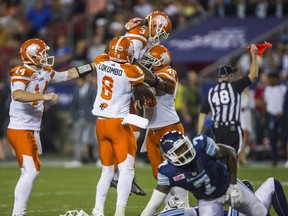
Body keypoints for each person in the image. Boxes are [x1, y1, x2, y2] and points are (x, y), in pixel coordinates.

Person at [7, 38, 95, 216]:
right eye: (43, 53)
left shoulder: (45, 70)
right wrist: (43, 97)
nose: (46, 56)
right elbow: (17, 94)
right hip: (20, 127)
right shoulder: (21, 71)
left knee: (27, 172)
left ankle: (18, 212)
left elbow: (69, 75)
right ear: (32, 56)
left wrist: (93, 66)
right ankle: (18, 213)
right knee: (31, 171)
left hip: (31, 127)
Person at [140, 131, 288, 216]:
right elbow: (153, 204)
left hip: (227, 187)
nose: (184, 151)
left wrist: (234, 184)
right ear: (168, 156)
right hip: (207, 200)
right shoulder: (167, 171)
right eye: (178, 151)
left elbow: (230, 152)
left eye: (184, 146)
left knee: (260, 213)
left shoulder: (201, 145)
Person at [91, 36, 156, 216]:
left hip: (101, 124)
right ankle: (120, 211)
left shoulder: (100, 60)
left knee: (106, 172)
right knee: (127, 170)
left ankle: (98, 209)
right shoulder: (131, 70)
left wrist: (123, 33)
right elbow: (148, 89)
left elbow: (107, 50)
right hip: (118, 124)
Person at [139, 44, 189, 207]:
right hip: (152, 130)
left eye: (151, 60)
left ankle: (184, 205)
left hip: (170, 128)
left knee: (177, 171)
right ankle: (171, 205)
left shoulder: (169, 72)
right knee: (158, 174)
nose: (148, 62)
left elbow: (159, 88)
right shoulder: (149, 74)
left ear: (162, 61)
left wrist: (137, 69)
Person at [197, 44, 259, 155]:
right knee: (232, 159)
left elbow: (202, 115)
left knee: (221, 159)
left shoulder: (211, 92)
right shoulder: (235, 86)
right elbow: (253, 75)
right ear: (230, 76)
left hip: (217, 129)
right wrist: (254, 55)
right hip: (232, 129)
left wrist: (199, 133)